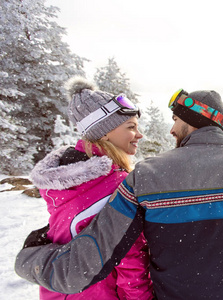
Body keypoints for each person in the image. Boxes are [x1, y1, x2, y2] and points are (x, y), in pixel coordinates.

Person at [16, 89, 223, 300]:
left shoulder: (147, 177)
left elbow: (89, 262)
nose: (171, 129)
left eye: (176, 120)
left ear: (190, 122)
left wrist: (30, 258)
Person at [26, 76, 153, 299]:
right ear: (104, 132)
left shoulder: (62, 179)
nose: (139, 134)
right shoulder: (118, 186)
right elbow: (130, 260)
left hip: (60, 292)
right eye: (131, 127)